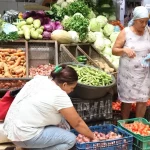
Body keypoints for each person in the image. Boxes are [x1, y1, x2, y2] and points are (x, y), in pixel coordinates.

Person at [3, 64, 94, 150]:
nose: (72, 90)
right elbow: (77, 123)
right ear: (65, 84)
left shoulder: (39, 79)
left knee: (63, 122)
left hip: (10, 129)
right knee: (70, 140)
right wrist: (93, 137)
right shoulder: (59, 95)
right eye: (72, 88)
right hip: (24, 136)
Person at [112, 6, 150, 119]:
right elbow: (114, 50)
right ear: (135, 20)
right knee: (127, 101)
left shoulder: (148, 31)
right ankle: (125, 125)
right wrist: (124, 50)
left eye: (146, 21)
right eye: (141, 22)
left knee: (143, 100)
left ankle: (138, 125)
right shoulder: (126, 32)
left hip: (144, 74)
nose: (144, 25)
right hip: (128, 75)